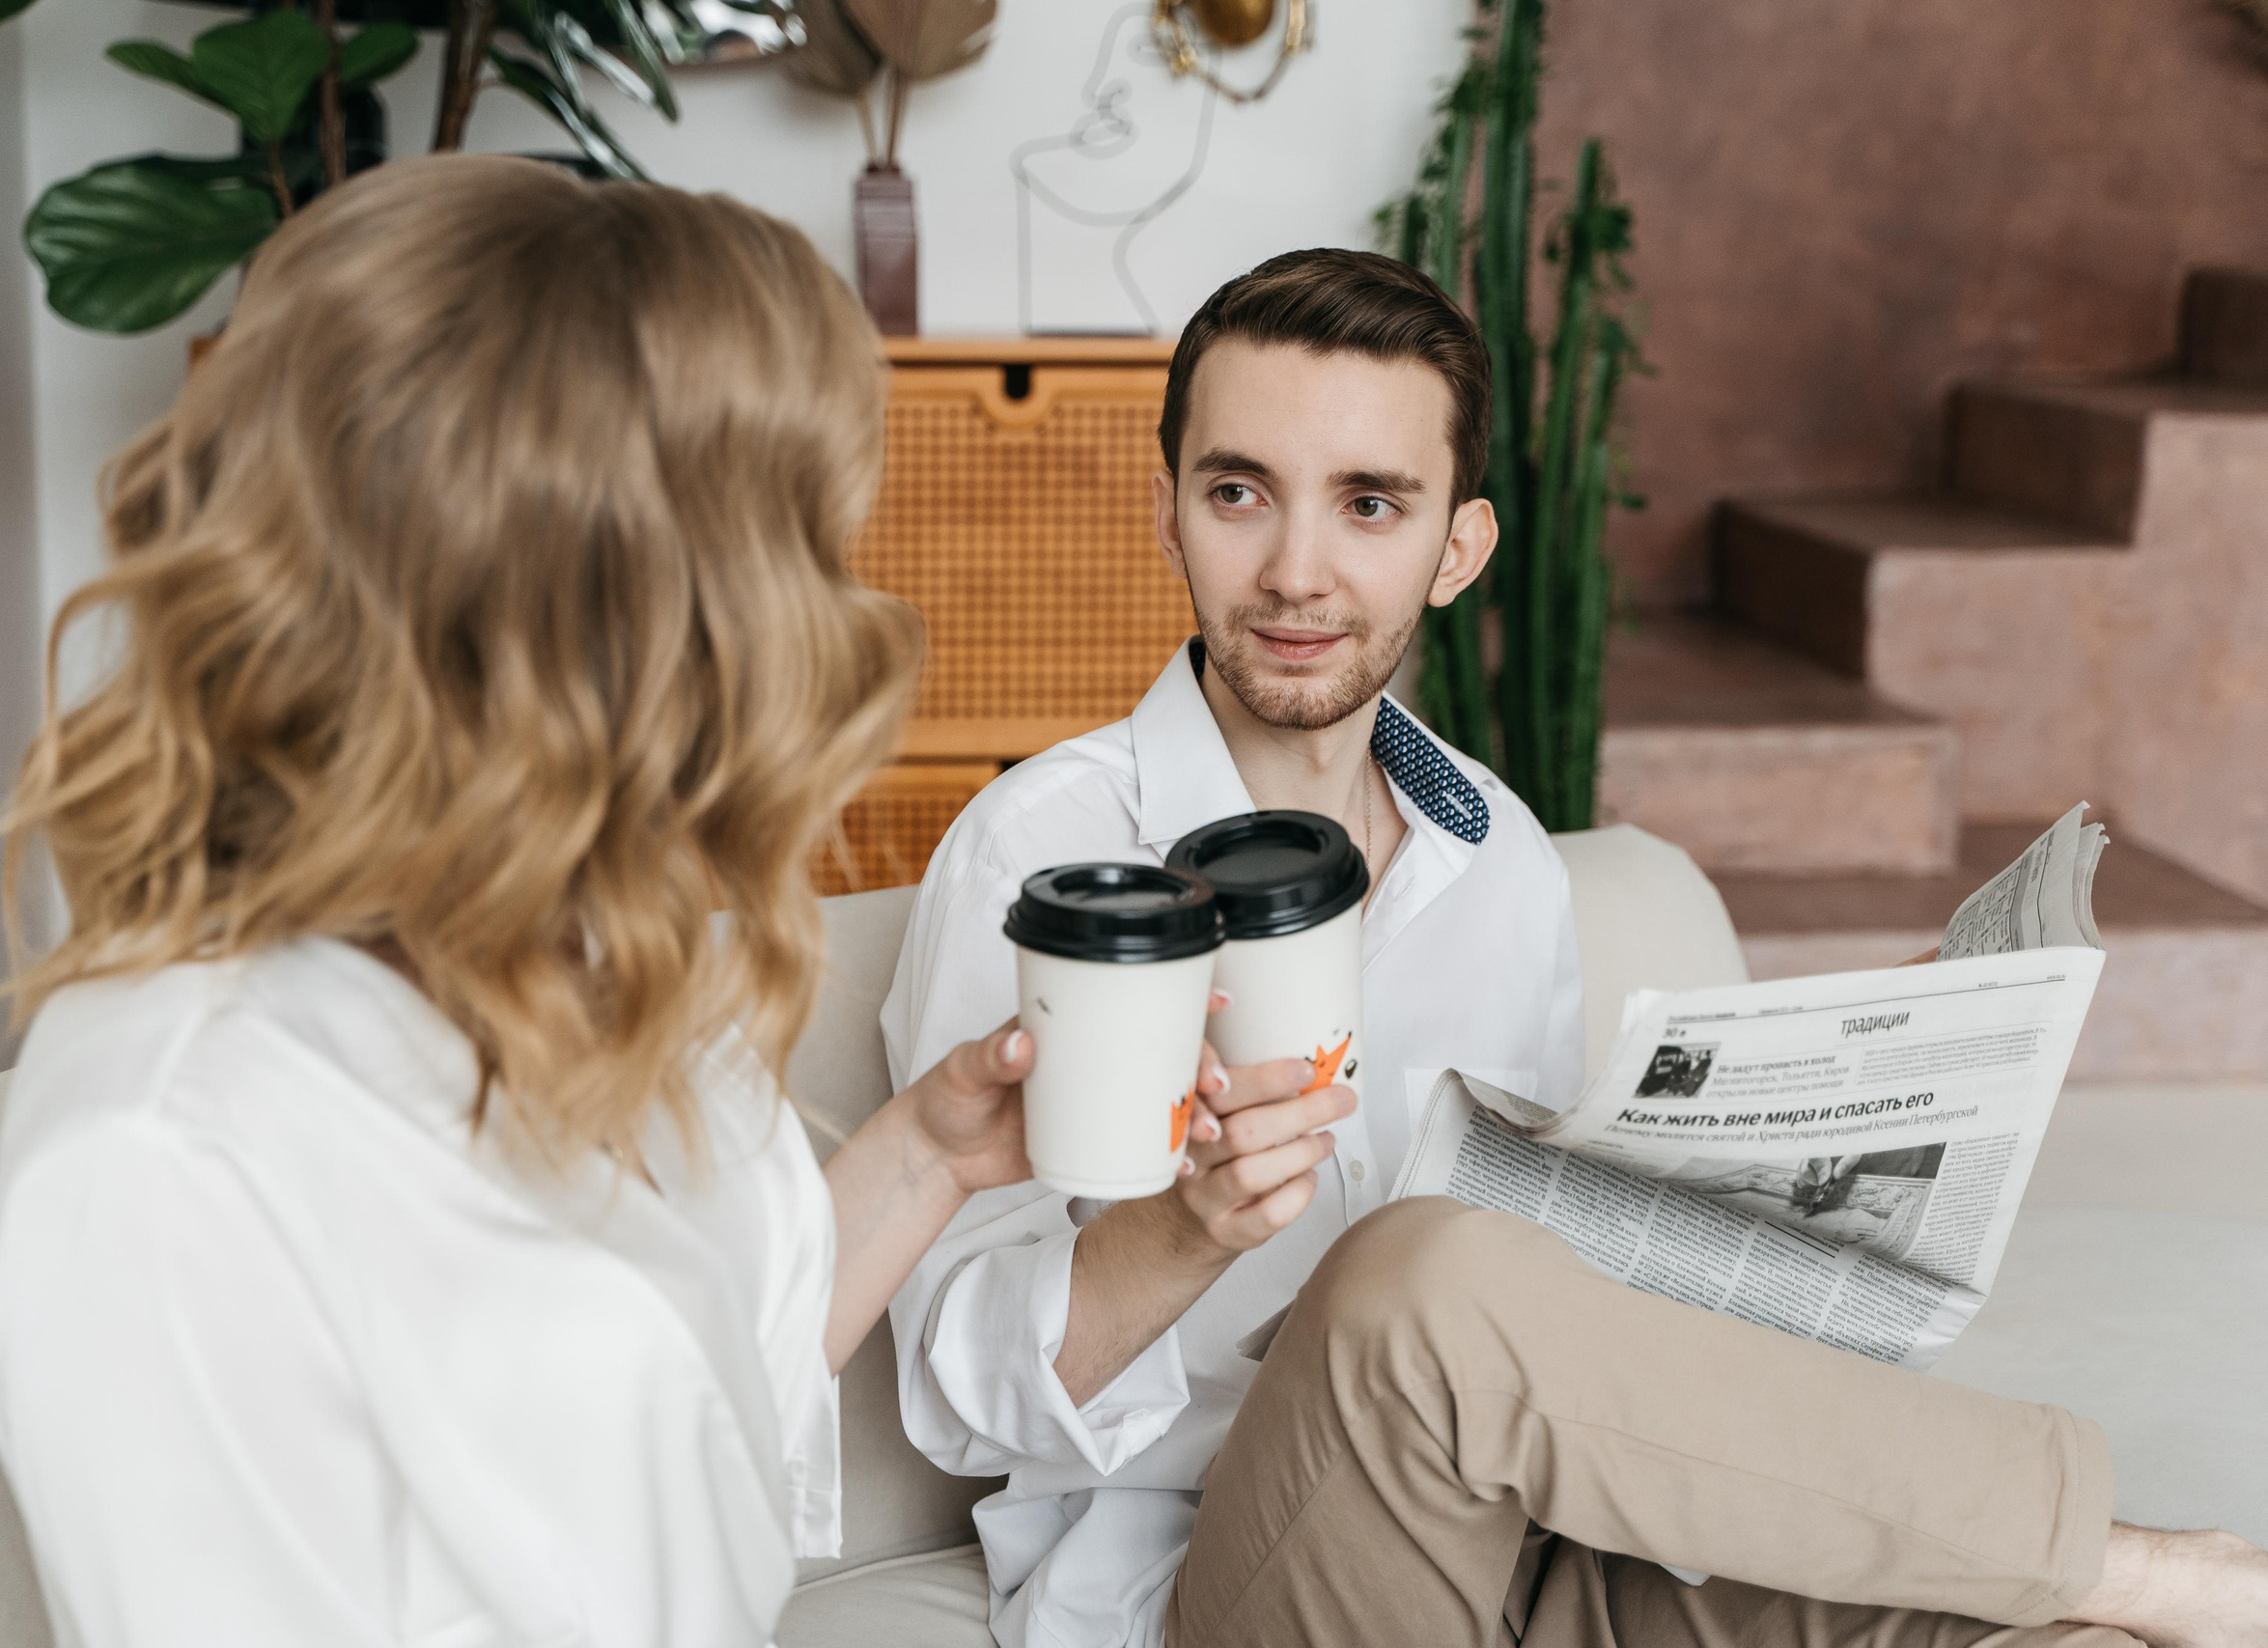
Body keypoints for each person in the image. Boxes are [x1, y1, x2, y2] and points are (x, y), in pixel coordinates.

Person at [881, 249, 2268, 1648]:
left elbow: (1549, 1297)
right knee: (1425, 1273)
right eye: (1239, 493)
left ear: (1458, 549)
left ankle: (2097, 1601)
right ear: (1169, 514)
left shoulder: (1499, 854)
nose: (1297, 572)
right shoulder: (1043, 861)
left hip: (1534, 1537)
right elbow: (952, 1403)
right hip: (1207, 1578)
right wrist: (1184, 1231)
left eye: (1370, 505)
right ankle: (2148, 1564)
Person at [0, 154, 1052, 1648]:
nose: (839, 614)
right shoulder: (173, 1164)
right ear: (619, 616)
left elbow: (696, 1423)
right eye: (799, 548)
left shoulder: (585, 951)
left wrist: (928, 1156)